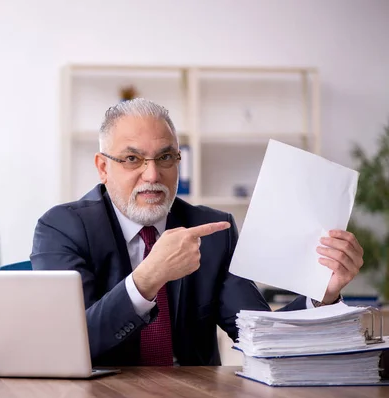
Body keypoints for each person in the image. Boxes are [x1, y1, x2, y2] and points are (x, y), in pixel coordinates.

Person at [30, 98, 364, 367]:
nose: (152, 175)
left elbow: (260, 335)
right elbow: (69, 344)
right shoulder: (61, 227)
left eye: (166, 157)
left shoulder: (214, 230)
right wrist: (147, 278)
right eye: (132, 159)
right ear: (103, 167)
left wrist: (323, 295)